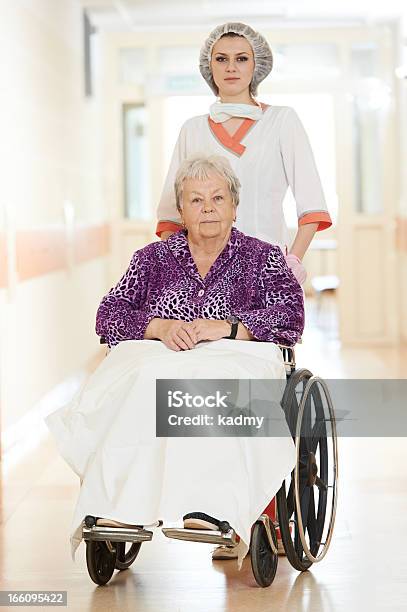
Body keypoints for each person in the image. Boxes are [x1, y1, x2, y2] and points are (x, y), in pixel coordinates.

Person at [45, 155, 304, 570]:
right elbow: (109, 314)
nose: (208, 208)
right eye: (196, 199)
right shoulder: (151, 259)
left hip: (234, 356)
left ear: (235, 205)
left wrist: (230, 328)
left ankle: (210, 505)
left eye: (218, 197)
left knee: (213, 384)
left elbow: (290, 316)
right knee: (139, 383)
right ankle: (117, 505)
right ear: (180, 210)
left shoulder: (264, 258)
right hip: (159, 355)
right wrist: (156, 326)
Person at [156, 22, 332, 285]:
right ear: (209, 66)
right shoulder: (192, 130)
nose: (231, 67)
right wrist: (187, 269)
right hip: (207, 274)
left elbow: (312, 206)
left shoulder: (281, 121)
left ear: (255, 65)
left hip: (267, 269)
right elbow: (171, 216)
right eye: (221, 59)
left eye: (241, 58)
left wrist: (292, 261)